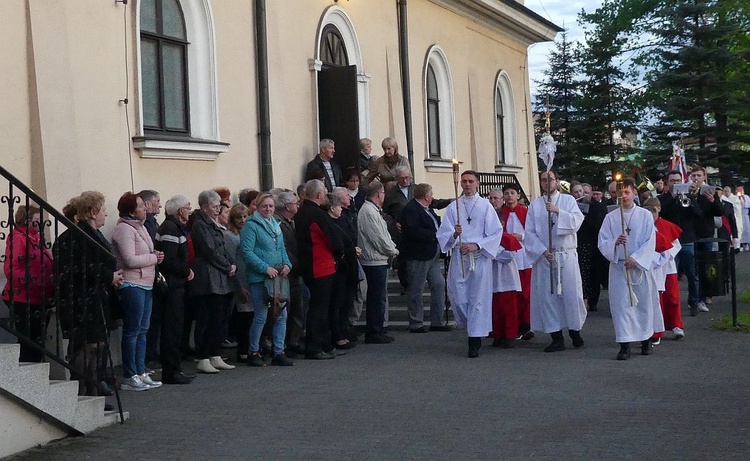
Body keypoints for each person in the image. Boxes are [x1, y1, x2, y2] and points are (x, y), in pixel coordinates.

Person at [55, 192, 123, 398]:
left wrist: (110, 276)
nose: (106, 214)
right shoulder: (74, 237)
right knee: (86, 348)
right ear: (93, 212)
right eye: (103, 210)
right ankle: (82, 394)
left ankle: (94, 393)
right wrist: (107, 276)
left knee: (98, 347)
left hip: (97, 299)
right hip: (81, 301)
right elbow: (79, 267)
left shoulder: (91, 234)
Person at [437, 170, 502, 358]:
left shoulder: (485, 206)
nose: (467, 184)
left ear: (478, 183)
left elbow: (495, 232)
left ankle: (475, 339)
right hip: (460, 257)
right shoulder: (453, 207)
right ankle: (471, 326)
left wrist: (477, 245)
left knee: (478, 299)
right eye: (464, 181)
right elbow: (443, 235)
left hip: (479, 258)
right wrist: (455, 235)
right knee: (458, 297)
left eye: (470, 181)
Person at [598, 178, 663, 360]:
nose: (624, 196)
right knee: (622, 306)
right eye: (620, 193)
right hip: (620, 268)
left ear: (634, 192)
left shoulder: (644, 215)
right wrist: (615, 244)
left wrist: (636, 258)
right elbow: (602, 241)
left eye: (627, 192)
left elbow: (650, 241)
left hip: (639, 268)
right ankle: (624, 343)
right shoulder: (611, 218)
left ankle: (645, 341)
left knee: (643, 304)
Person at [524, 170, 587, 352]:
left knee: (571, 294)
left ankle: (575, 330)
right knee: (548, 297)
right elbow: (529, 233)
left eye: (550, 179)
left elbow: (577, 221)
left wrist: (558, 211)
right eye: (543, 180)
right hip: (546, 257)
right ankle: (556, 336)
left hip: (565, 255)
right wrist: (542, 251)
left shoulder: (568, 201)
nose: (546, 183)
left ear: (557, 182)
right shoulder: (535, 206)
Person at [112, 192, 164, 391]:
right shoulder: (124, 229)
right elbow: (129, 260)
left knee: (143, 330)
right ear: (131, 210)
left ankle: (141, 371)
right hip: (132, 283)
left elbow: (146, 253)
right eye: (141, 206)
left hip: (146, 282)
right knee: (132, 330)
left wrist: (154, 255)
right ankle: (130, 374)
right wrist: (153, 258)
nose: (145, 208)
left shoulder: (140, 227)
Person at [659, 167, 722, 315]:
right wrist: (672, 199)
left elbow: (699, 214)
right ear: (667, 183)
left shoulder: (689, 196)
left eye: (678, 180)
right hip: (670, 241)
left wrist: (690, 201)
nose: (675, 183)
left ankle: (693, 302)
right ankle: (669, 304)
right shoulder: (662, 199)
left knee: (692, 274)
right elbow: (660, 214)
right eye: (672, 181)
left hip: (687, 239)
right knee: (671, 274)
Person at [241, 193, 294, 367]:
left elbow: (282, 249)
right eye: (265, 206)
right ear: (257, 207)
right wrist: (265, 268)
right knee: (261, 316)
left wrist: (287, 264)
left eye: (271, 206)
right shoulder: (251, 226)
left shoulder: (275, 225)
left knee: (281, 315)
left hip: (277, 278)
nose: (268, 209)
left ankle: (279, 351)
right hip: (260, 278)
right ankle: (253, 351)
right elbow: (247, 253)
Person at [295, 179, 344, 360]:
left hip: (312, 264)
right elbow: (331, 238)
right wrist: (340, 251)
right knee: (319, 309)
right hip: (319, 265)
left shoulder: (302, 213)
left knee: (320, 307)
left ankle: (324, 343)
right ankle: (315, 347)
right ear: (318, 195)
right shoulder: (316, 214)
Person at [190, 190, 237, 374]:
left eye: (219, 206)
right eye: (214, 206)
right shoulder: (200, 225)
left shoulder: (213, 223)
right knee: (208, 317)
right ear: (204, 207)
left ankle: (214, 354)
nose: (218, 210)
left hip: (221, 275)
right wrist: (227, 266)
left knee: (220, 317)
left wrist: (231, 264)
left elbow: (222, 247)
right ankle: (203, 357)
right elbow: (209, 251)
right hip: (208, 277)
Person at [2, 205, 54, 363]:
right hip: (23, 296)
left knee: (37, 341)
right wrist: (36, 280)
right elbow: (11, 269)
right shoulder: (18, 237)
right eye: (37, 220)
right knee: (30, 341)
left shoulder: (36, 239)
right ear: (26, 220)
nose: (40, 223)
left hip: (38, 296)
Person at [399, 183, 452, 333]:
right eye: (431, 194)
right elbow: (412, 231)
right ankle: (416, 322)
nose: (433, 197)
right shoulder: (411, 210)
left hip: (433, 254)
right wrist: (435, 235)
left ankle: (437, 320)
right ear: (426, 196)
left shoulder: (428, 209)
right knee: (416, 288)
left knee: (439, 284)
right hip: (418, 254)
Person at [154, 195, 195, 384]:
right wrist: (186, 271)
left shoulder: (173, 227)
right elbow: (169, 260)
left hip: (176, 284)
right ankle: (171, 371)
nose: (189, 210)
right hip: (172, 286)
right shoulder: (171, 228)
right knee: (172, 328)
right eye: (188, 207)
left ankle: (175, 368)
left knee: (176, 328)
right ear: (180, 211)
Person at [358, 182, 400, 344]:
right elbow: (378, 238)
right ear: (378, 194)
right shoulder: (368, 212)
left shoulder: (373, 211)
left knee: (379, 296)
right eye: (383, 192)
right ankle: (374, 331)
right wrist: (392, 250)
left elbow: (384, 234)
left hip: (378, 259)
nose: (384, 195)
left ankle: (377, 327)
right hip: (373, 260)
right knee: (376, 297)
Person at [644, 197, 684, 340]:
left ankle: (676, 325)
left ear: (658, 210)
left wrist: (666, 255)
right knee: (656, 298)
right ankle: (656, 328)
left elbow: (676, 245)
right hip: (651, 267)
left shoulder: (667, 226)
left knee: (672, 297)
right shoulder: (642, 226)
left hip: (667, 267)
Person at [496, 185, 534, 339]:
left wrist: (522, 237)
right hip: (507, 256)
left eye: (512, 193)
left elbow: (533, 231)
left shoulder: (525, 212)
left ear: (518, 196)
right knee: (513, 294)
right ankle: (514, 325)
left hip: (524, 257)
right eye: (506, 193)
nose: (509, 196)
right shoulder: (500, 214)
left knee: (525, 293)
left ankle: (526, 324)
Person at [274, 191, 305, 356]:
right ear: (287, 206)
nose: (298, 205)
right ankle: (286, 342)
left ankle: (294, 340)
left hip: (294, 270)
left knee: (297, 307)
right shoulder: (279, 223)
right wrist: (295, 264)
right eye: (295, 203)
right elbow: (283, 247)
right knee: (288, 307)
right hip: (287, 270)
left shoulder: (291, 221)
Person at [327, 193, 359, 350]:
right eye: (339, 207)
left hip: (348, 267)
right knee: (337, 303)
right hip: (339, 268)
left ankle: (344, 330)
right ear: (332, 208)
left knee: (345, 302)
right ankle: (337, 334)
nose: (341, 209)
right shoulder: (330, 224)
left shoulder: (342, 220)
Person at [572, 181, 607, 311]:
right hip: (580, 244)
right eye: (577, 192)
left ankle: (593, 300)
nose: (581, 194)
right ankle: (584, 299)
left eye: (584, 192)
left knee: (594, 273)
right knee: (583, 273)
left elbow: (600, 225)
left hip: (594, 244)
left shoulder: (597, 207)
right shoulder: (572, 207)